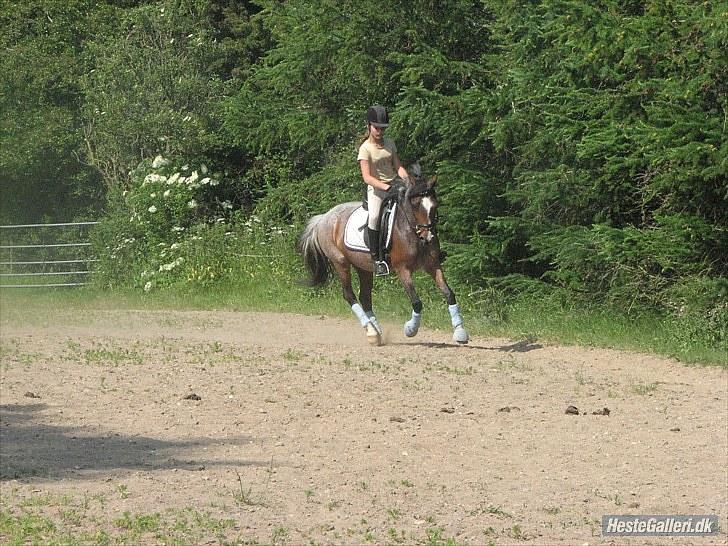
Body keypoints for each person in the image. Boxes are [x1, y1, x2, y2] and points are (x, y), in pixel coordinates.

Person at [357, 105, 410, 276]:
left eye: (383, 128)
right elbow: (367, 177)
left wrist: (408, 181)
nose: (380, 131)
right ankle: (377, 259)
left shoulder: (390, 144)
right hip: (377, 189)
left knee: (417, 207)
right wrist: (387, 187)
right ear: (369, 126)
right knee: (374, 217)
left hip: (394, 185)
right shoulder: (365, 149)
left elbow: (398, 166)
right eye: (377, 128)